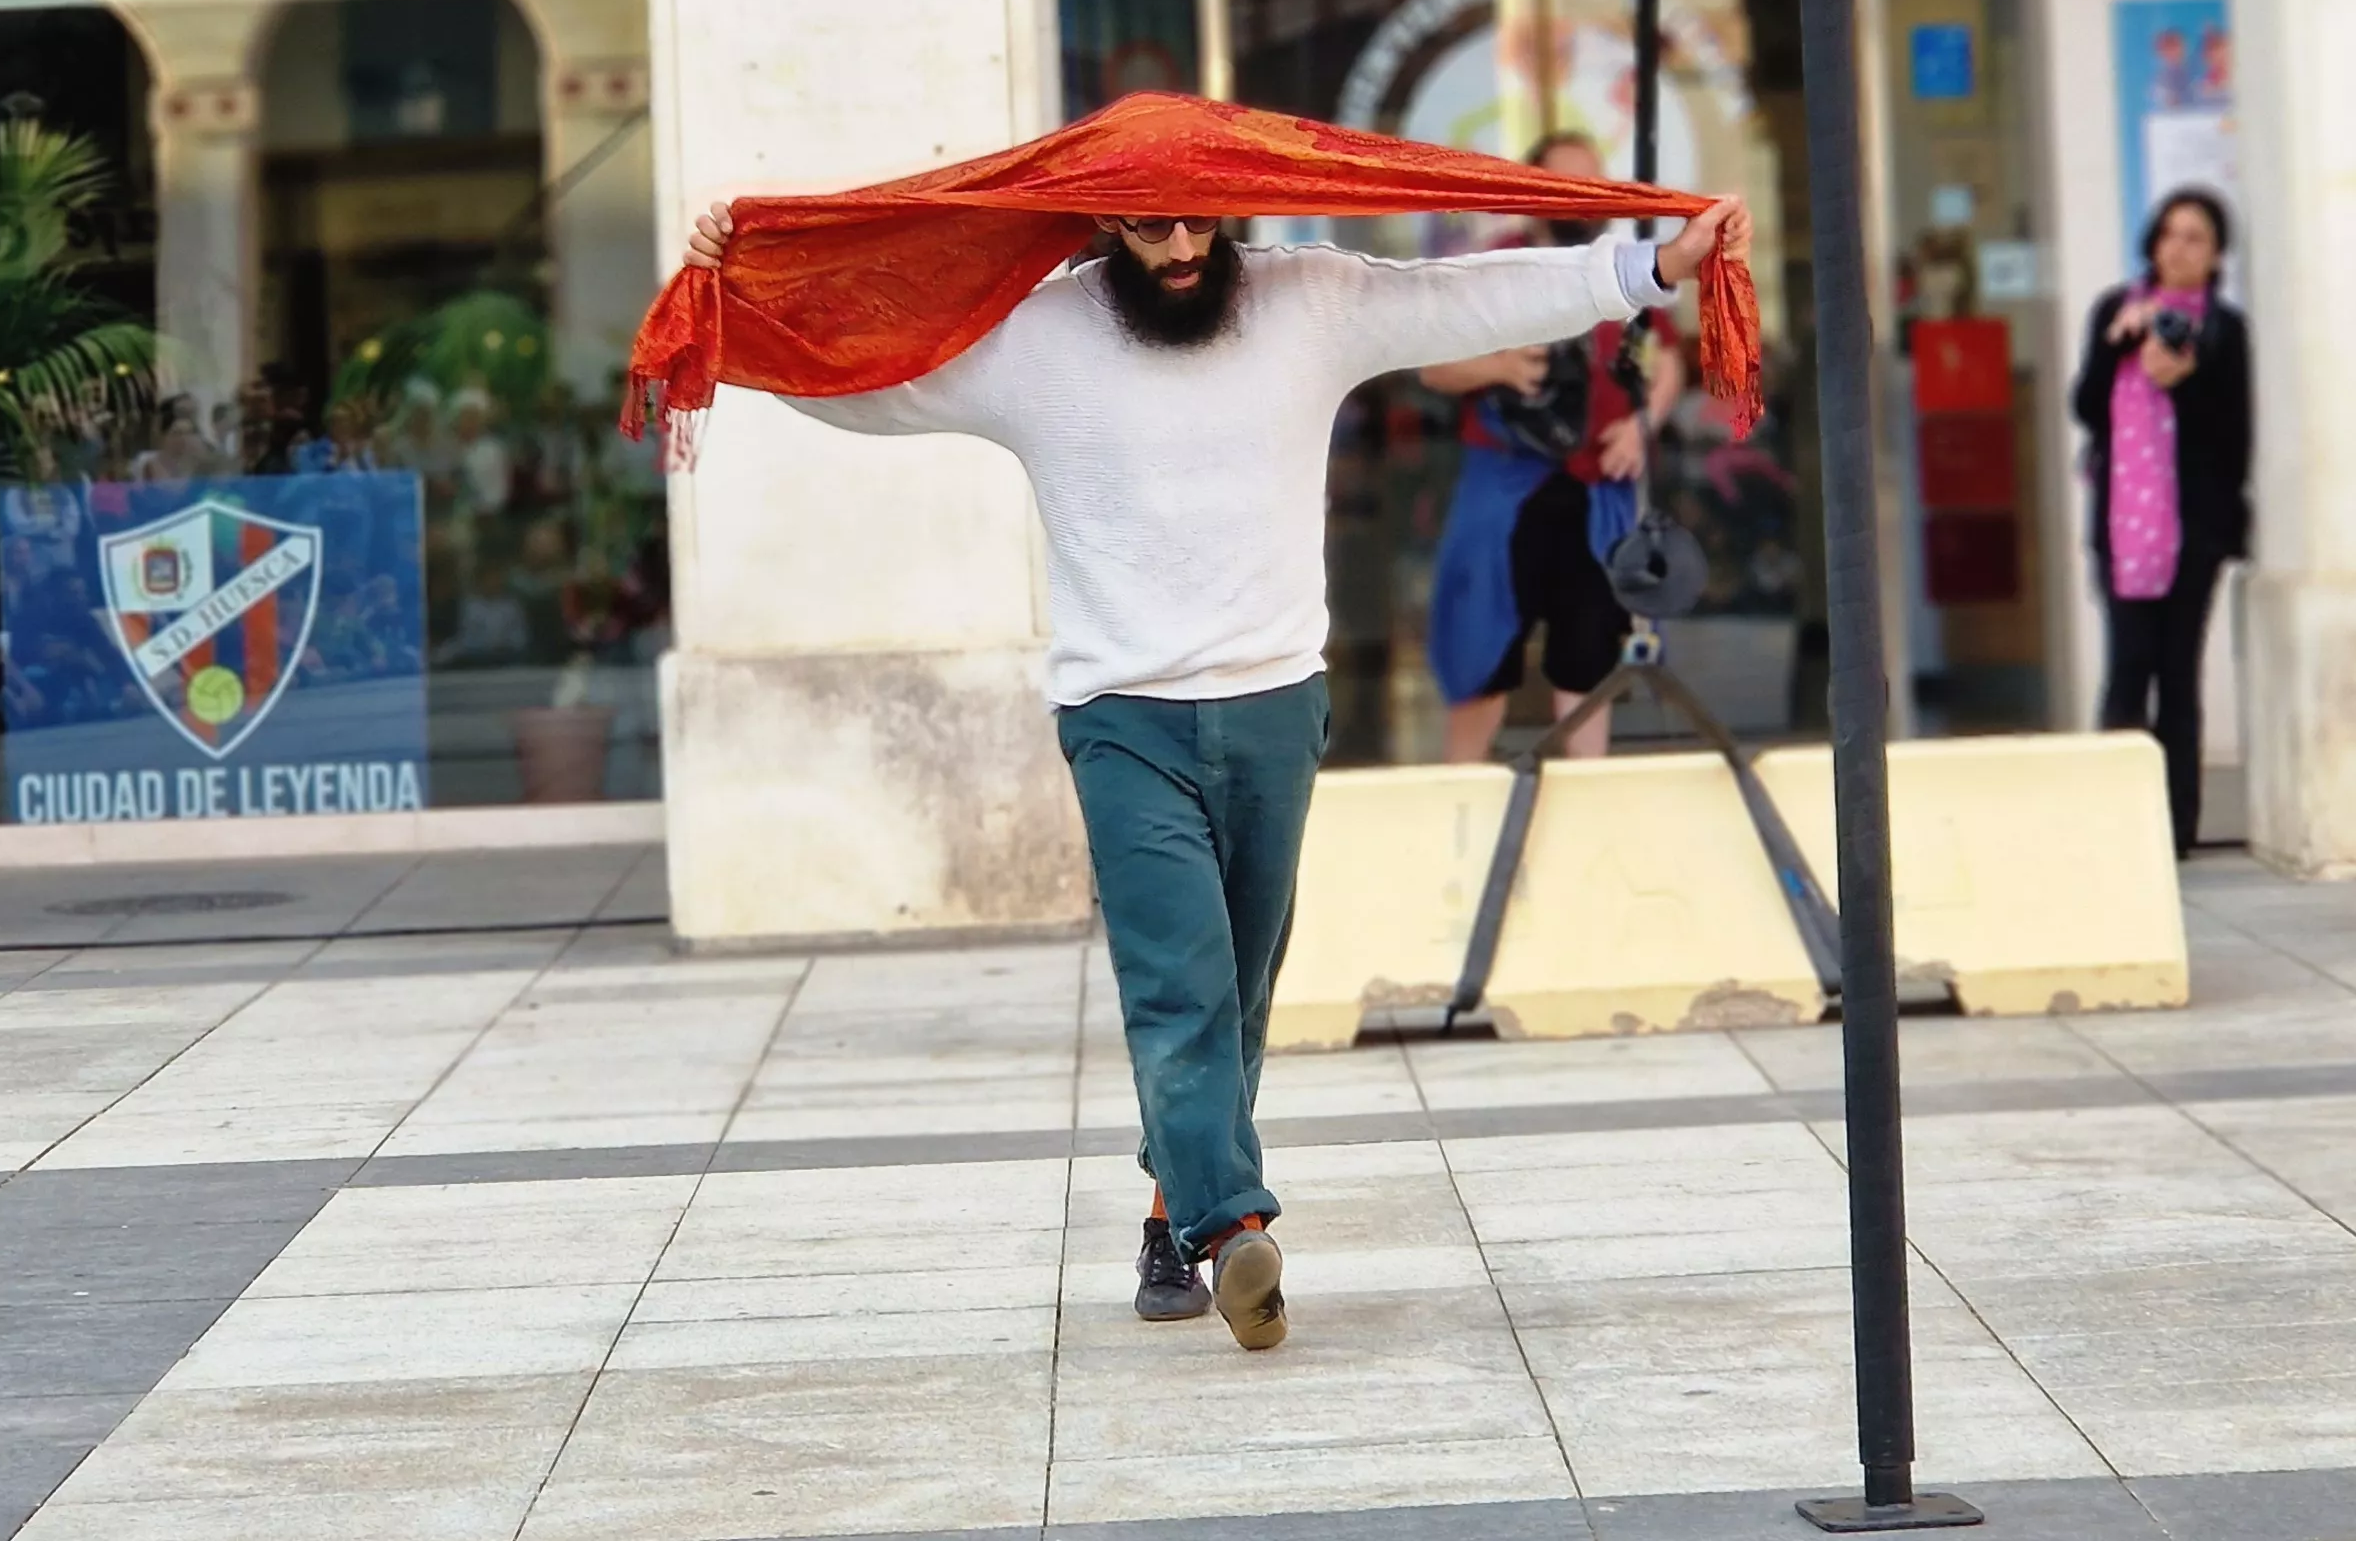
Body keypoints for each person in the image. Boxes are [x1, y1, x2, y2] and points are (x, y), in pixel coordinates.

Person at [682, 190, 1747, 1352]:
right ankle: (1234, 1222)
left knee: (1234, 993)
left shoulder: (1311, 301)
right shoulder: (1034, 338)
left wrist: (1653, 264)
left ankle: (1165, 1213)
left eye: (1197, 221)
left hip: (1276, 706)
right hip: (1121, 717)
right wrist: (727, 306)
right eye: (1150, 227)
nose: (1181, 247)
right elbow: (866, 381)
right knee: (1176, 985)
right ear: (1103, 227)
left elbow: (1465, 298)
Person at [1417, 133, 1689, 764]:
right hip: (1506, 486)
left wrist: (1643, 423)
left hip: (1598, 490)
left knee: (1588, 657)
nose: (1580, 205)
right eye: (1565, 187)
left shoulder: (1623, 264)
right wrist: (1500, 367)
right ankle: (1463, 806)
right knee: (1481, 657)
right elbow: (1431, 367)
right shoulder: (1496, 266)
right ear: (1534, 193)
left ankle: (1585, 809)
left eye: (1590, 187)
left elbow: (1668, 359)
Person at [2072, 188, 2253, 856]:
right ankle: (2116, 826)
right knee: (2127, 670)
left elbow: (2233, 433)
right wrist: (2119, 347)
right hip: (2124, 529)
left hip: (2193, 532)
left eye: (2196, 238)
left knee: (2179, 677)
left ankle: (2176, 833)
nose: (2178, 249)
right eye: (2169, 235)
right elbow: (2087, 408)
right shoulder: (2114, 312)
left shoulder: (2225, 332)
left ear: (2215, 257)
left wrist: (2186, 378)